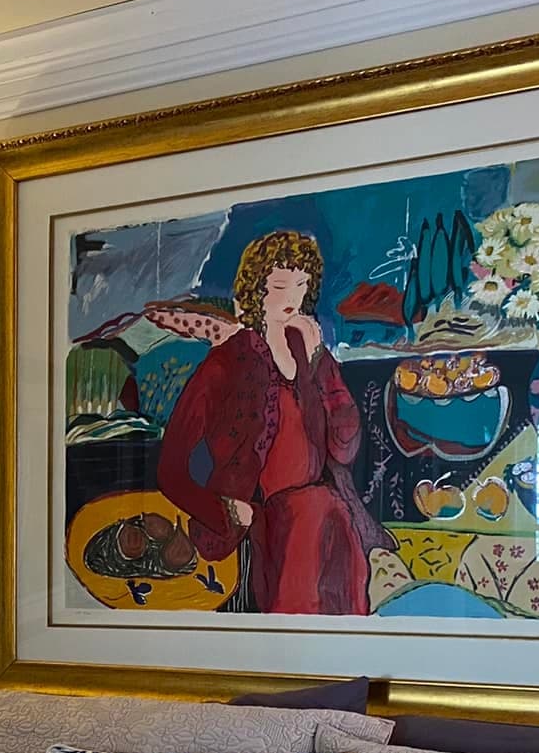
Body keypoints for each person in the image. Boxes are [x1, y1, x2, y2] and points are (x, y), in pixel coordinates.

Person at [157, 229, 386, 616]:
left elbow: (345, 446)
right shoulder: (227, 363)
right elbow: (170, 470)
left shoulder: (310, 351)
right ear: (256, 291)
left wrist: (318, 364)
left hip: (327, 512)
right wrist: (224, 511)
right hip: (270, 522)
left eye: (301, 284)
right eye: (279, 285)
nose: (291, 298)